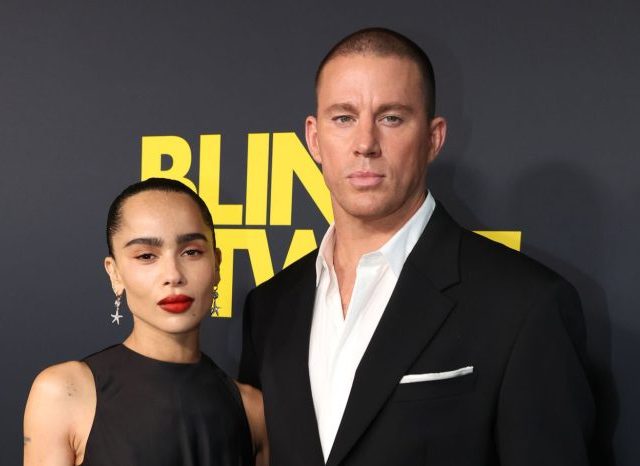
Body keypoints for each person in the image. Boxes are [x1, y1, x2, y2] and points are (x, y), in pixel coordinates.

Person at [239, 27, 594, 465]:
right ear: (314, 139)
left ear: (433, 138)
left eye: (391, 118)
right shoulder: (269, 307)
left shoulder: (524, 306)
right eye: (344, 118)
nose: (365, 144)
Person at [24, 178, 268, 466]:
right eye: (146, 256)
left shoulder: (254, 411)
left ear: (216, 265)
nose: (173, 275)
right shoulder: (63, 393)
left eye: (191, 252)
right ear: (115, 273)